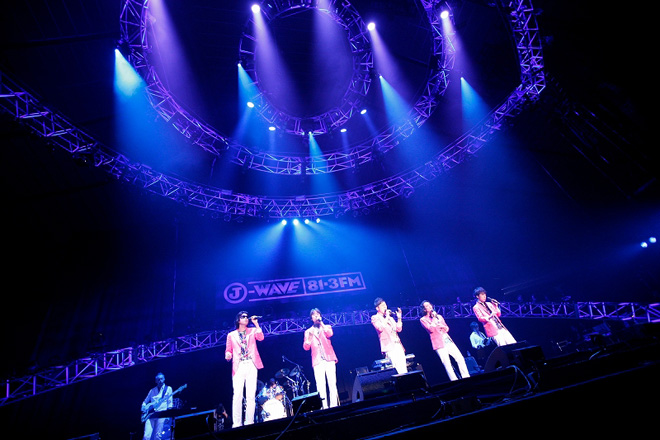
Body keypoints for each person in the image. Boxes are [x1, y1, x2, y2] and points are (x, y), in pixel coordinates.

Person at [225, 311, 265, 428]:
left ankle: (249, 422)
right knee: (237, 395)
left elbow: (261, 337)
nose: (246, 318)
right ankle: (237, 423)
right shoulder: (231, 335)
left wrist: (256, 324)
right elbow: (228, 350)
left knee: (251, 395)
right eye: (243, 317)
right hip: (238, 365)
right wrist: (228, 355)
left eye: (247, 317)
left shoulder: (252, 331)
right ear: (238, 320)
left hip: (251, 364)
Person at [419, 300, 470, 381]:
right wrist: (434, 319)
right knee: (447, 363)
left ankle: (466, 377)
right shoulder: (423, 319)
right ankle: (454, 380)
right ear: (424, 309)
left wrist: (442, 326)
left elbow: (447, 328)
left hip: (447, 340)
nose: (430, 306)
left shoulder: (439, 316)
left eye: (430, 305)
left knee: (460, 358)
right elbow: (431, 329)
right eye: (427, 306)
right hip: (438, 343)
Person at [303, 308, 339, 409]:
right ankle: (324, 407)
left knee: (332, 383)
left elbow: (330, 334)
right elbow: (306, 347)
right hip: (317, 361)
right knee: (320, 385)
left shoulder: (326, 327)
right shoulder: (308, 332)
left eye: (318, 314)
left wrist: (322, 323)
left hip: (329, 358)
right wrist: (309, 339)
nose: (316, 316)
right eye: (314, 315)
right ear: (311, 318)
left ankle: (334, 406)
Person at [371, 297, 407, 375]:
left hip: (398, 345)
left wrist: (399, 318)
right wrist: (387, 317)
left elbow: (399, 329)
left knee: (403, 369)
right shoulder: (375, 318)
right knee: (396, 369)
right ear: (377, 308)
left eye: (385, 305)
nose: (385, 307)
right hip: (389, 347)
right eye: (382, 306)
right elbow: (380, 328)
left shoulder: (390, 318)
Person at [141, 372, 173, 440]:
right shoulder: (152, 390)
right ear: (156, 381)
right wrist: (143, 408)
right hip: (151, 414)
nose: (160, 381)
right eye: (158, 379)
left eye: (161, 379)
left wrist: (168, 416)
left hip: (161, 414)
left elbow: (170, 403)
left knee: (158, 436)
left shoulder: (168, 389)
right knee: (146, 436)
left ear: (164, 379)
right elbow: (145, 402)